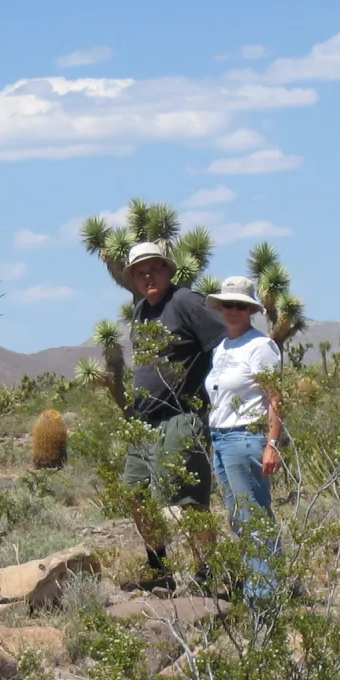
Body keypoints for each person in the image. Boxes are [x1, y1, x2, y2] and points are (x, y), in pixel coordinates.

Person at [119, 241, 226, 582]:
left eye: (155, 268)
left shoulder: (185, 302)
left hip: (181, 414)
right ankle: (158, 567)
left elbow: (223, 344)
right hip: (144, 420)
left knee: (190, 496)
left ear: (169, 269)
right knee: (135, 492)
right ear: (133, 278)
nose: (148, 275)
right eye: (140, 271)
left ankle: (207, 570)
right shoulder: (140, 311)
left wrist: (215, 397)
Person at [203, 276, 283, 591]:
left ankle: (263, 597)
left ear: (251, 310)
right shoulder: (222, 347)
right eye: (227, 304)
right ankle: (260, 587)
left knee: (253, 518)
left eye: (240, 305)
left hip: (245, 437)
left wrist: (272, 444)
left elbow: (276, 397)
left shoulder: (260, 346)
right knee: (239, 518)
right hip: (220, 438)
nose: (232, 310)